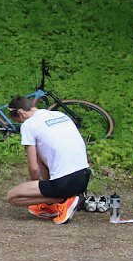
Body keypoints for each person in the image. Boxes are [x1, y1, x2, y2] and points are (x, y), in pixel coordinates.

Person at [5, 96, 91, 225]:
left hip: (65, 182)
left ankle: (64, 200)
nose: (20, 122)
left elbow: (34, 168)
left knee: (13, 197)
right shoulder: (59, 114)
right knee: (42, 152)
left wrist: (37, 191)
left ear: (21, 113)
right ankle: (55, 204)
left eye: (18, 120)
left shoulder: (29, 125)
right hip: (84, 177)